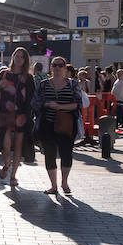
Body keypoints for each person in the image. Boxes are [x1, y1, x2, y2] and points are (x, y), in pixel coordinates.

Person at [32, 56, 81, 195]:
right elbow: (35, 103)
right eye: (55, 65)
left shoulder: (73, 84)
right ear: (51, 67)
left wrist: (59, 106)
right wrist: (46, 104)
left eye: (60, 65)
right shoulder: (43, 84)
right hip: (47, 124)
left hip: (67, 124)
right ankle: (53, 186)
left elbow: (78, 104)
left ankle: (64, 182)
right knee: (49, 154)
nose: (57, 68)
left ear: (65, 67)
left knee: (66, 154)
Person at [0, 47, 35, 187]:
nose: (19, 58)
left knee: (18, 146)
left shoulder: (28, 78)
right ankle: (6, 163)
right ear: (13, 57)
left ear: (25, 60)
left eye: (22, 57)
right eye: (17, 55)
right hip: (4, 113)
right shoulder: (4, 74)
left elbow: (32, 98)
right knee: (5, 143)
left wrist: (30, 115)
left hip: (21, 114)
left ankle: (13, 175)